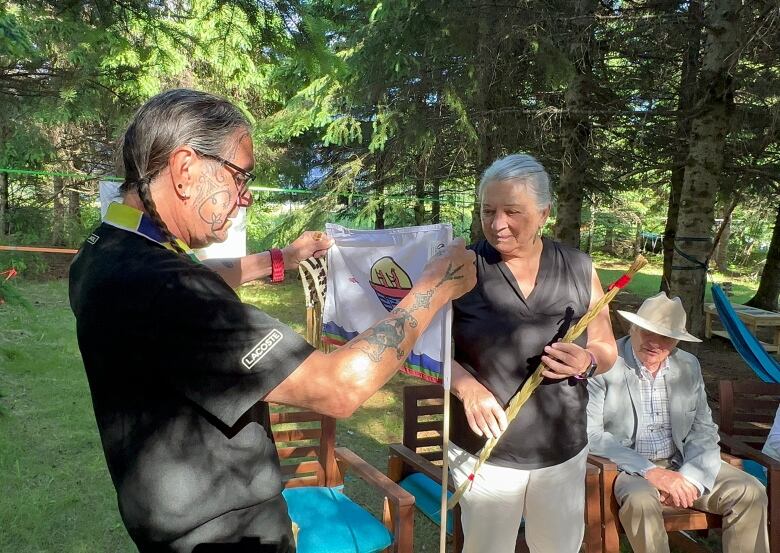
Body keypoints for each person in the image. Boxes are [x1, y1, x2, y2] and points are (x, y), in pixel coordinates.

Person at [68, 88, 476, 553]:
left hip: (172, 520)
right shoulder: (167, 290)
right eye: (241, 177)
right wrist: (433, 287)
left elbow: (196, 274)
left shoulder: (107, 247)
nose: (244, 199)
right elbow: (337, 387)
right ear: (184, 170)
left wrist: (282, 258)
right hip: (228, 535)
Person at [447, 154, 617, 553]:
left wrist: (588, 360)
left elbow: (607, 347)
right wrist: (466, 386)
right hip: (485, 450)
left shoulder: (578, 266)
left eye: (512, 211)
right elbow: (424, 349)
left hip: (562, 446)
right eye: (488, 211)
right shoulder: (461, 267)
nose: (498, 224)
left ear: (544, 213)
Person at [586, 292, 769, 553]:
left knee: (750, 492)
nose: (655, 343)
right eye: (648, 331)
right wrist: (652, 472)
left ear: (677, 341)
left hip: (681, 461)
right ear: (632, 327)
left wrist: (691, 479)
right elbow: (591, 435)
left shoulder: (688, 366)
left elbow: (703, 430)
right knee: (640, 501)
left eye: (666, 337)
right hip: (629, 468)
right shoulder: (605, 364)